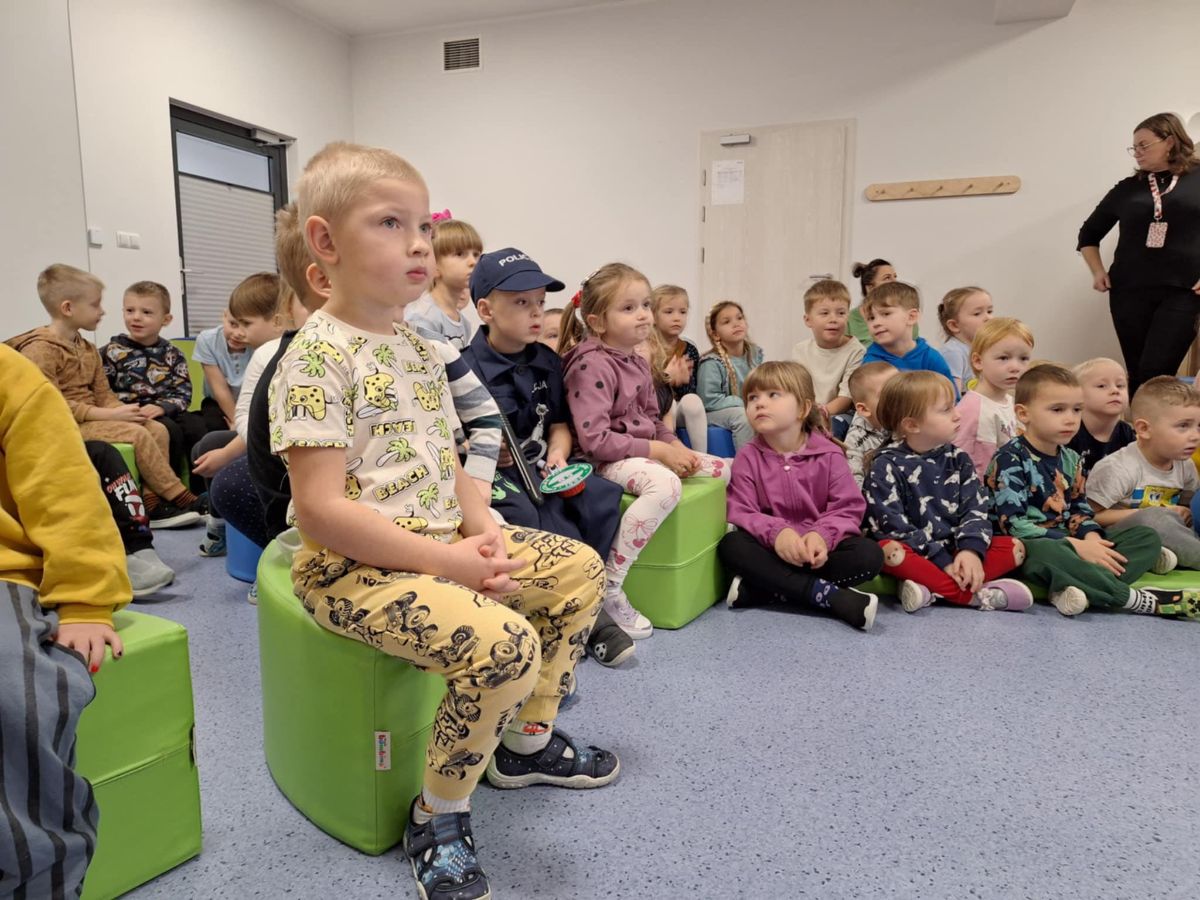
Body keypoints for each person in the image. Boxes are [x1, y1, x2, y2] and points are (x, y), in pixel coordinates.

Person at [269, 142, 618, 900]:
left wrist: (480, 527)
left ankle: (523, 744)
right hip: (351, 573)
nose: (419, 244)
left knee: (578, 570)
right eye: (390, 223)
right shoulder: (314, 358)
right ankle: (438, 814)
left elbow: (447, 458)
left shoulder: (422, 350)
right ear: (325, 243)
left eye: (424, 226)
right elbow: (321, 511)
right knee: (505, 644)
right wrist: (448, 564)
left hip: (436, 543)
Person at [0, 343, 129, 898]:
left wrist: (84, 599)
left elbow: (66, 491)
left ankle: (40, 881)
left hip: (5, 571)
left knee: (17, 697)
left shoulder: (12, 375)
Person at [462, 248, 631, 665]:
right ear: (486, 310)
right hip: (491, 475)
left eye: (539, 301)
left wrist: (558, 451)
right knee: (530, 514)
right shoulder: (465, 369)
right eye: (521, 303)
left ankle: (587, 596)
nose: (536, 312)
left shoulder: (547, 361)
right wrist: (482, 448)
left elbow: (557, 422)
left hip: (540, 464)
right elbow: (451, 440)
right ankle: (575, 619)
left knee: (599, 497)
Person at [560, 262, 729, 638]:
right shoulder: (590, 365)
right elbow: (595, 441)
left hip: (640, 452)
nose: (643, 315)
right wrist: (658, 451)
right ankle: (610, 585)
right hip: (601, 460)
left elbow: (652, 419)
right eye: (629, 308)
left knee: (723, 468)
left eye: (646, 305)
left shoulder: (636, 359)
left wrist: (674, 446)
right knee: (666, 486)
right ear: (597, 322)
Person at [985, 364, 1196, 619]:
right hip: (1031, 545)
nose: (1070, 418)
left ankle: (1074, 586)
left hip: (1070, 541)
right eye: (1057, 409)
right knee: (1048, 553)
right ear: (1023, 413)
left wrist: (1092, 539)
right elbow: (1013, 525)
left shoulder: (1072, 458)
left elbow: (1080, 510)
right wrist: (1075, 545)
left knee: (1146, 538)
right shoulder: (1010, 458)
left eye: (1077, 410)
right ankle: (1135, 599)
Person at [7, 264, 205, 527]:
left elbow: (103, 393)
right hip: (65, 424)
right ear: (68, 308)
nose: (102, 311)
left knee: (156, 429)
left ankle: (152, 503)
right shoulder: (40, 350)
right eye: (95, 305)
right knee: (138, 434)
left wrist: (125, 412)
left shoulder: (87, 348)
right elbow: (50, 405)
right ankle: (179, 495)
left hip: (93, 418)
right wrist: (109, 414)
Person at [720, 361, 882, 629]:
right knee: (732, 546)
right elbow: (741, 510)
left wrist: (821, 535)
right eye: (752, 398)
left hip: (820, 552)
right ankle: (828, 596)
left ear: (803, 409)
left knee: (868, 555)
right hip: (771, 550)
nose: (760, 403)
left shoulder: (830, 454)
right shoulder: (747, 456)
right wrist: (778, 533)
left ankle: (767, 588)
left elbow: (848, 508)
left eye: (773, 394)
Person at [865, 371, 1032, 613]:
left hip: (955, 549)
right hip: (916, 552)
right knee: (890, 552)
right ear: (912, 425)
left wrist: (970, 551)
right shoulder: (885, 465)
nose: (957, 414)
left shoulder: (959, 458)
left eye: (954, 405)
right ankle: (974, 597)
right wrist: (942, 561)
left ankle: (930, 588)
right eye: (946, 410)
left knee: (1015, 548)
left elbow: (976, 509)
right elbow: (892, 526)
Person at [1078, 112, 1200, 393]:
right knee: (1137, 371)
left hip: (1182, 291)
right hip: (1129, 292)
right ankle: (1140, 422)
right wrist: (1097, 271)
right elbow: (1088, 234)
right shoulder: (1128, 189)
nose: (1137, 153)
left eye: (1144, 145)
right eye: (1134, 147)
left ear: (1169, 141)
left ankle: (1155, 420)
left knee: (1156, 371)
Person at [1087, 376, 1200, 569]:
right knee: (1155, 519)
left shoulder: (1186, 465)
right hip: (1122, 537)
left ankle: (1163, 556)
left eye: (1198, 427)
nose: (1195, 436)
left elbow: (1186, 507)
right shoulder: (1118, 468)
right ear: (1144, 429)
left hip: (1171, 532)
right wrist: (1148, 513)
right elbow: (1089, 516)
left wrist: (1184, 511)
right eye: (1183, 426)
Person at [100, 280, 203, 472]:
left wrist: (162, 407)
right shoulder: (111, 352)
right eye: (130, 310)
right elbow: (103, 391)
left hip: (165, 410)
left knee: (195, 426)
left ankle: (199, 484)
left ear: (166, 319)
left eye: (146, 312)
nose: (136, 317)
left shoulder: (173, 353)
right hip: (130, 413)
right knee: (169, 430)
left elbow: (183, 393)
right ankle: (168, 483)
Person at [952, 318, 1034, 478]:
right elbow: (975, 468)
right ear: (978, 361)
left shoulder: (1008, 400)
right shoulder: (975, 409)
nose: (1015, 367)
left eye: (1023, 359)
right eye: (1003, 358)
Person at [403, 216, 483, 350]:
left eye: (476, 254)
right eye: (460, 254)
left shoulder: (464, 324)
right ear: (434, 265)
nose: (473, 262)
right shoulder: (423, 318)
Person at [862, 282, 956, 393]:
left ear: (911, 317)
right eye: (871, 318)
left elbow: (952, 396)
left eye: (886, 314)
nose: (876, 323)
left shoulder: (930, 357)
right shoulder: (871, 363)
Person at [791, 279, 864, 420]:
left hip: (840, 414)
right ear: (808, 320)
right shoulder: (800, 350)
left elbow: (846, 397)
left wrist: (820, 414)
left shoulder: (856, 351)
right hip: (808, 411)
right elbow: (797, 390)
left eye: (841, 313)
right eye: (824, 313)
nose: (833, 319)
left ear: (848, 317)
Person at [696, 300, 764, 450]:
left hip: (744, 406)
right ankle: (747, 461)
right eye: (727, 322)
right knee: (742, 417)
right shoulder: (712, 363)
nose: (736, 324)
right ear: (715, 334)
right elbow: (709, 401)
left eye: (739, 318)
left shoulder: (754, 355)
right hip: (714, 412)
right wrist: (743, 403)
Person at [649, 284, 708, 451]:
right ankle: (670, 453)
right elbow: (642, 389)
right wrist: (666, 378)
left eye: (682, 312)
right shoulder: (645, 347)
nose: (677, 318)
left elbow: (690, 391)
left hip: (678, 405)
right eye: (669, 312)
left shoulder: (689, 349)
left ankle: (701, 454)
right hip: (653, 408)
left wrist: (680, 381)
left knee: (692, 400)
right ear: (653, 316)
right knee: (671, 406)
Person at [1067, 357, 1135, 475]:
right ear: (1078, 394)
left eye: (1120, 385)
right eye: (1102, 386)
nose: (1115, 390)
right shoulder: (1070, 432)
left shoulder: (1126, 432)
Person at [844, 361, 898, 487]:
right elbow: (853, 481)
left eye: (900, 388)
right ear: (864, 409)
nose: (899, 396)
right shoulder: (857, 438)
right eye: (888, 394)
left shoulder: (911, 418)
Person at [936, 286, 993, 393]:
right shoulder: (953, 352)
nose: (988, 318)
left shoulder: (984, 348)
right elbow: (953, 395)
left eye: (989, 311)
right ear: (954, 325)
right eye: (977, 313)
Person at [846, 258, 897, 345]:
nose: (895, 282)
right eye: (887, 278)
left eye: (895, 277)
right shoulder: (849, 320)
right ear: (870, 287)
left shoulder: (904, 315)